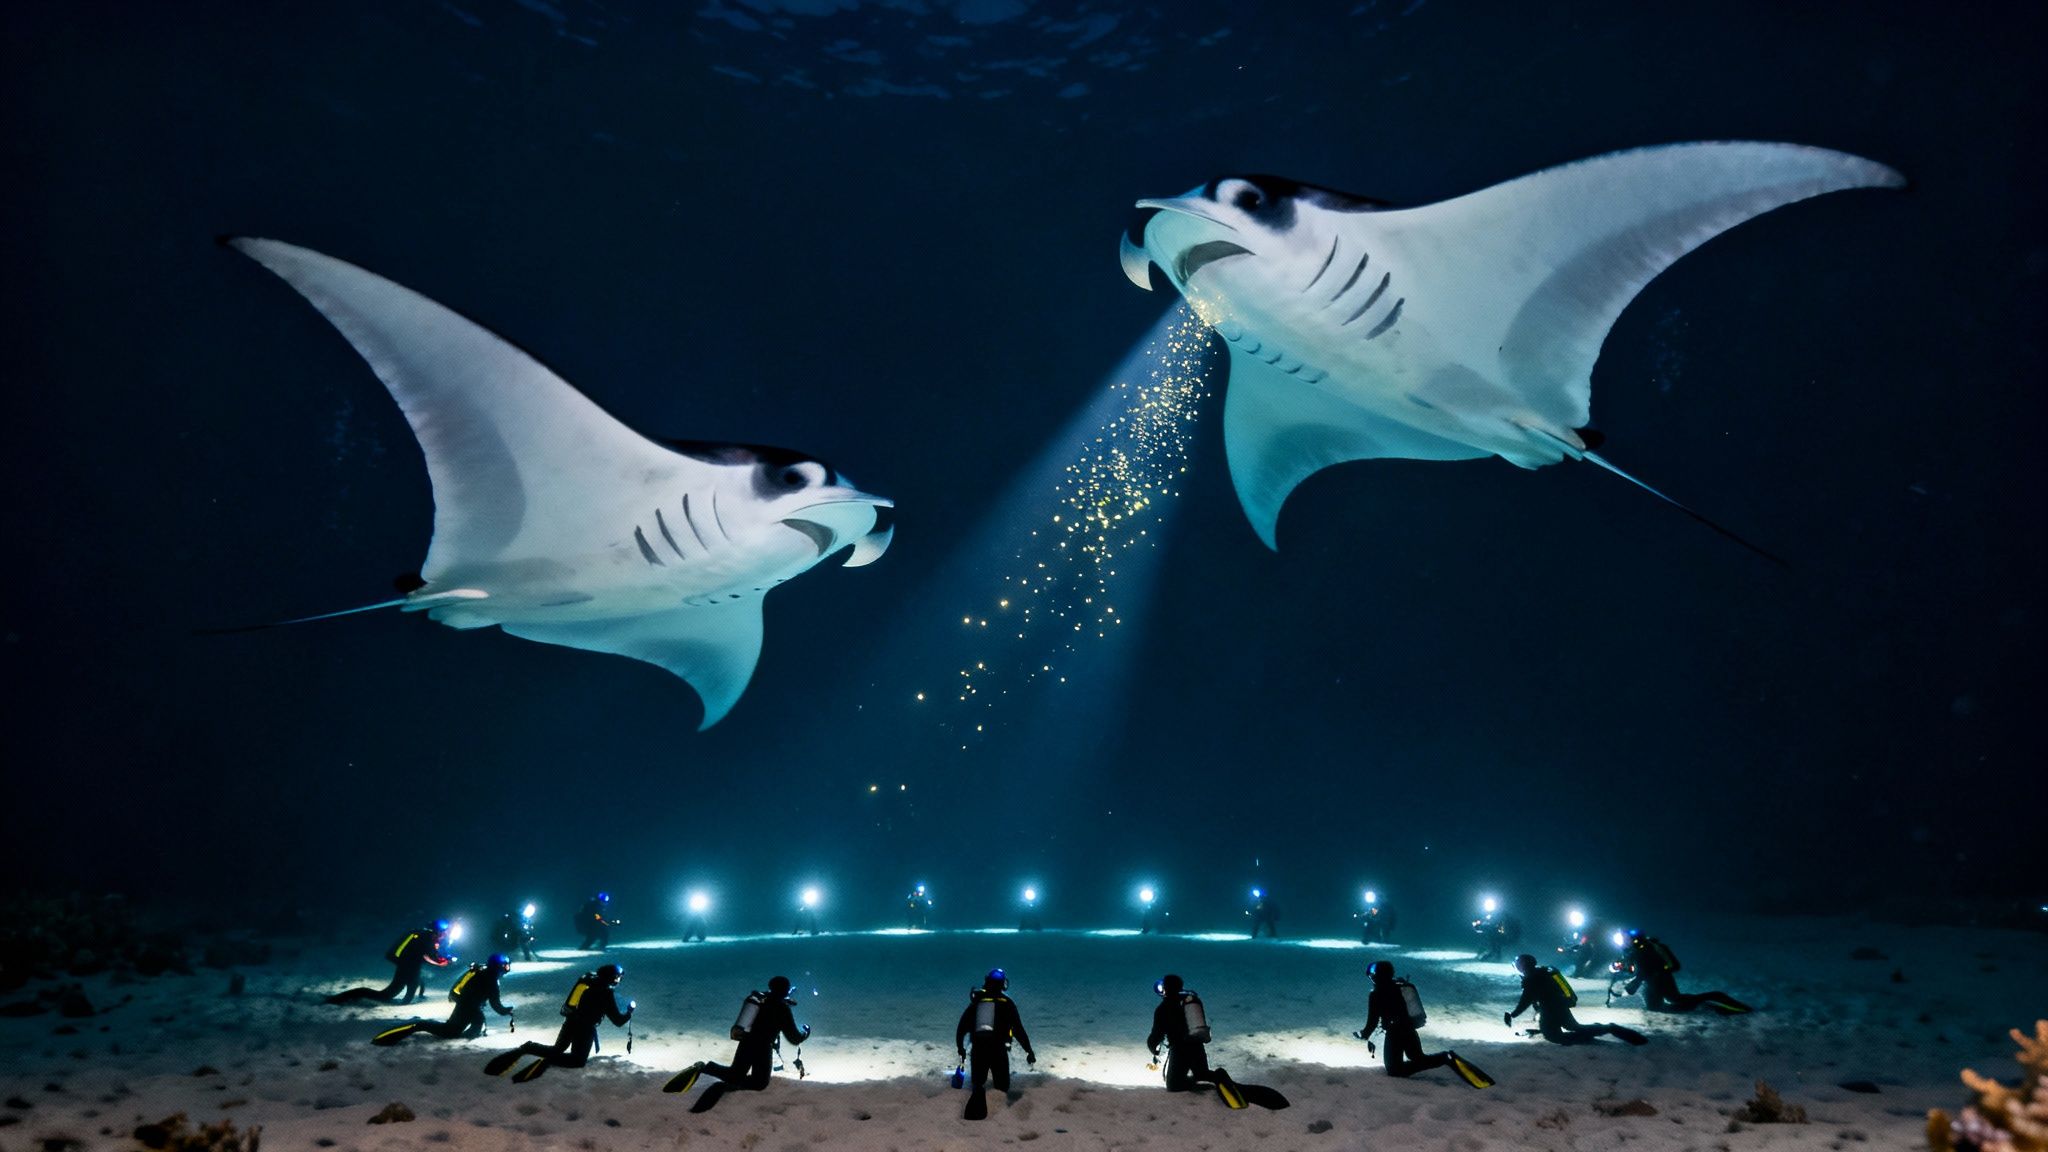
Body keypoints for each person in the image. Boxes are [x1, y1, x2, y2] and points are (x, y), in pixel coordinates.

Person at [484, 963, 633, 1082]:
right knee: (577, 1061)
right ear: (611, 978)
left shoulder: (589, 981)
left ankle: (528, 1048)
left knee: (557, 1048)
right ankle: (547, 1062)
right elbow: (617, 1020)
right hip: (585, 1029)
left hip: (570, 1022)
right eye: (618, 977)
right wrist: (629, 1012)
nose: (618, 980)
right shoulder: (605, 992)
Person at [667, 975, 812, 1095]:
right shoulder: (782, 1009)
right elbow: (794, 1038)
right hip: (763, 1047)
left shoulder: (760, 999)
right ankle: (728, 1087)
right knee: (760, 1082)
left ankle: (705, 1067)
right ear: (786, 990)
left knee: (734, 1074)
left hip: (747, 1042)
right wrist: (806, 1032)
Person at [1356, 960, 1491, 1087]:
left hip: (1395, 1033)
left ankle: (1445, 1057)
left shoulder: (1376, 994)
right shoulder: (1401, 986)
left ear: (1377, 976)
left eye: (1373, 975)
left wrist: (1364, 1035)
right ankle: (1446, 1058)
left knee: (1395, 1070)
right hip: (1409, 1029)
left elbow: (1372, 1021)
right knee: (1418, 1058)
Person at [1504, 954, 1647, 1045]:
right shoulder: (1541, 972)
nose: (1517, 968)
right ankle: (1608, 1029)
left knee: (1554, 1037)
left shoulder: (1532, 979)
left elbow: (1526, 1000)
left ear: (1524, 966)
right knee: (1574, 1027)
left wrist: (1513, 1014)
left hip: (1551, 1010)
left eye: (1518, 965)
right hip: (1559, 1007)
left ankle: (1595, 1033)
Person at [374, 953, 515, 1044]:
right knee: (450, 1032)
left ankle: (421, 1026)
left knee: (469, 1026)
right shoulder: (491, 979)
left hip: (468, 1005)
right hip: (467, 1005)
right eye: (505, 966)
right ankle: (417, 1025)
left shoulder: (484, 972)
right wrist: (505, 1011)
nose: (507, 969)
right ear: (498, 967)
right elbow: (495, 1003)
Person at [955, 968, 1036, 1116]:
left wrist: (961, 1049)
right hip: (998, 1050)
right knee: (1002, 1087)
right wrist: (1028, 1051)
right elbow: (1018, 1030)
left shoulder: (977, 1002)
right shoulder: (1007, 1003)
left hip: (978, 1049)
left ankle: (974, 1116)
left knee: (978, 1084)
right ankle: (998, 1113)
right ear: (1003, 985)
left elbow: (961, 1028)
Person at [1616, 932, 1751, 1014]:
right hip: (1651, 982)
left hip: (1661, 979)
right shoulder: (1633, 951)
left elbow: (1646, 970)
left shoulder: (1645, 949)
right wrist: (1620, 967)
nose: (1623, 942)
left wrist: (1633, 984)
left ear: (1633, 939)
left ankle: (1713, 1000)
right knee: (1655, 1008)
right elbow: (1635, 969)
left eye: (1625, 939)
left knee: (1675, 999)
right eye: (1622, 939)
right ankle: (1701, 1005)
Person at [327, 920, 455, 1005]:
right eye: (444, 932)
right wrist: (444, 962)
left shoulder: (424, 935)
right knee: (387, 995)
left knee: (415, 982)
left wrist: (443, 958)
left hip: (409, 964)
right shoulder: (427, 938)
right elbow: (430, 956)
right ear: (437, 931)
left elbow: (428, 953)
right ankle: (343, 998)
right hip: (407, 965)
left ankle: (407, 1002)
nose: (445, 935)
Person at [1147, 974, 1225, 1092]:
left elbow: (1157, 1033)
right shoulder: (1190, 1000)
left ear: (1165, 988)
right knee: (1202, 1074)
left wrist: (1152, 1046)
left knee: (1174, 1085)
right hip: (1197, 1044)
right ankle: (1219, 1079)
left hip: (1180, 1049)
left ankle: (1207, 1086)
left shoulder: (1163, 1008)